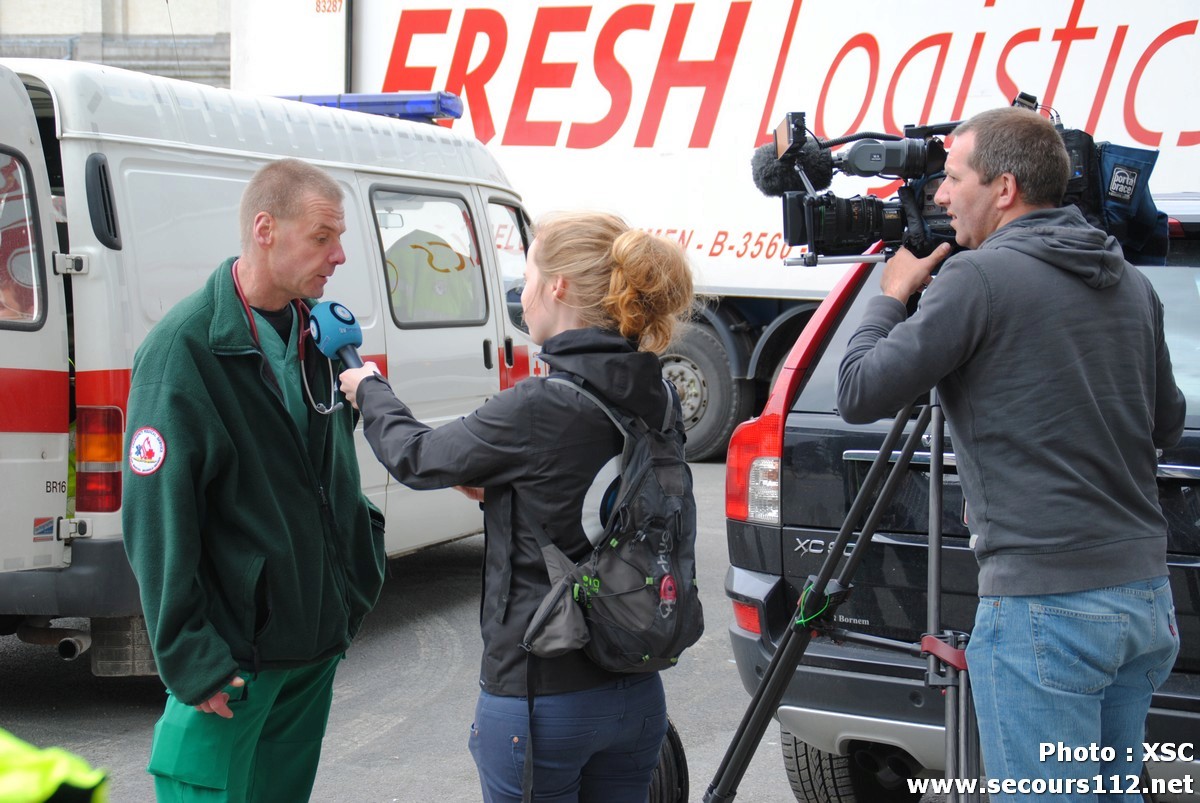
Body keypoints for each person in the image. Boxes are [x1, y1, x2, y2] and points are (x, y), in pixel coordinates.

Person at [837, 106, 1185, 801]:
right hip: (1143, 601)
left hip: (1047, 612)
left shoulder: (979, 281)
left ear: (1003, 189)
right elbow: (1165, 422)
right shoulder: (1131, 282)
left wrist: (891, 297)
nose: (938, 194)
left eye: (954, 176)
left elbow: (859, 389)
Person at [339, 211, 694, 802]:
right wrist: (501, 488)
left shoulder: (537, 405)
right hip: (637, 687)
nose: (520, 292)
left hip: (542, 695)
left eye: (526, 275)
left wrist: (368, 389)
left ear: (558, 287)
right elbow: (594, 494)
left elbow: (417, 456)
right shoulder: (656, 394)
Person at [121, 158, 387, 802]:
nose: (340, 255)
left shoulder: (317, 336)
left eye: (338, 237)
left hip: (311, 649)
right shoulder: (182, 351)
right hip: (232, 663)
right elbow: (156, 516)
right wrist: (190, 655)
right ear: (265, 229)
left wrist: (354, 577)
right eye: (322, 237)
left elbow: (328, 479)